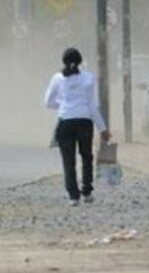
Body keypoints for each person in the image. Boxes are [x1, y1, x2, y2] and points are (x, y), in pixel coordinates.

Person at [43, 47, 111, 206]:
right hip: (84, 121)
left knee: (68, 160)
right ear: (80, 61)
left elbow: (48, 102)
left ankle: (73, 196)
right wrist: (102, 128)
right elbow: (92, 106)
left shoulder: (57, 78)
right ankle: (87, 191)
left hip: (65, 122)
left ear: (63, 61)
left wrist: (63, 105)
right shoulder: (88, 78)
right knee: (86, 156)